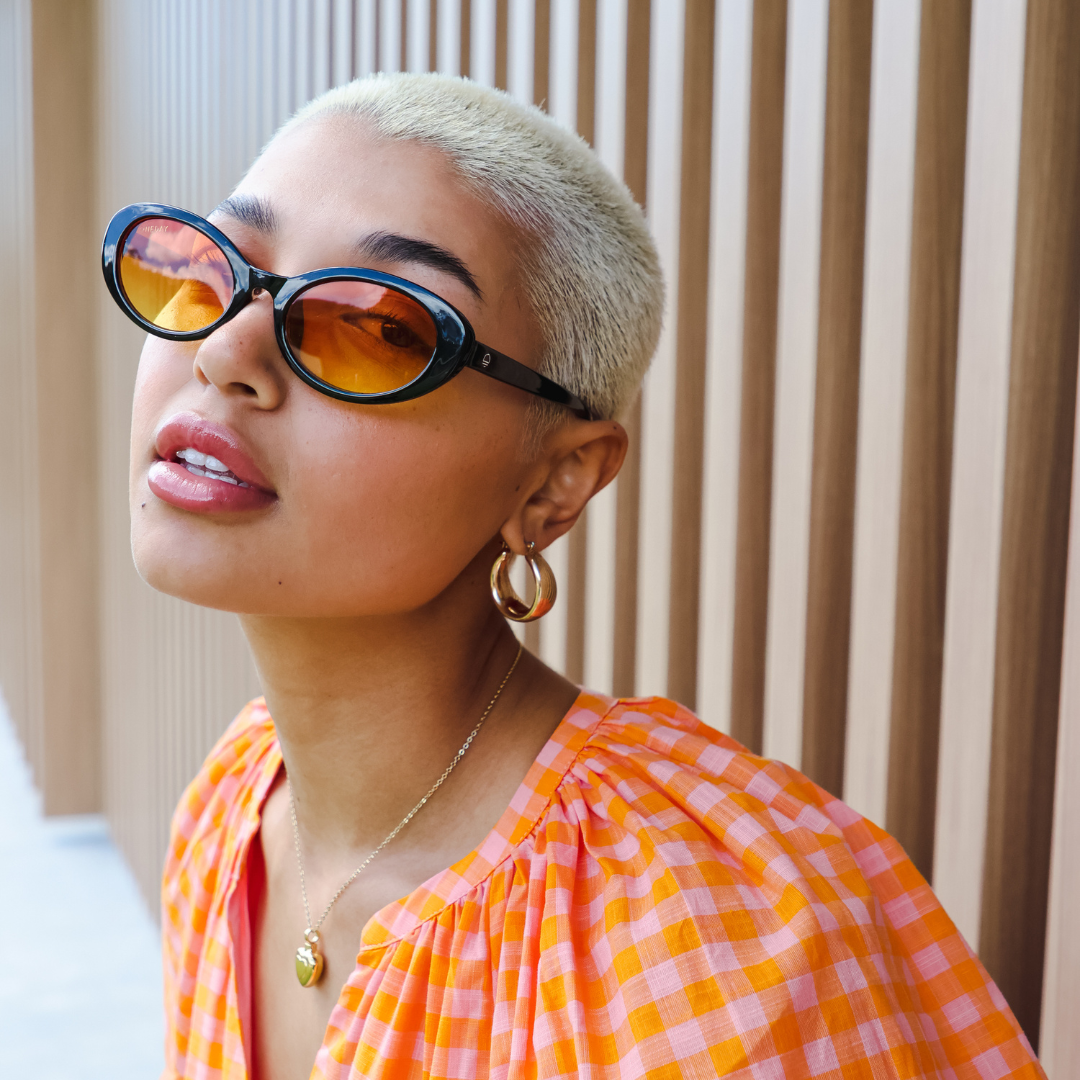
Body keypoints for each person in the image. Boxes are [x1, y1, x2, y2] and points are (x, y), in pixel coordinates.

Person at [103, 72, 1043, 1080]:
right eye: (211, 272)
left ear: (555, 484)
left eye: (378, 326)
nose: (227, 350)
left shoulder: (723, 943)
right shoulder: (230, 811)